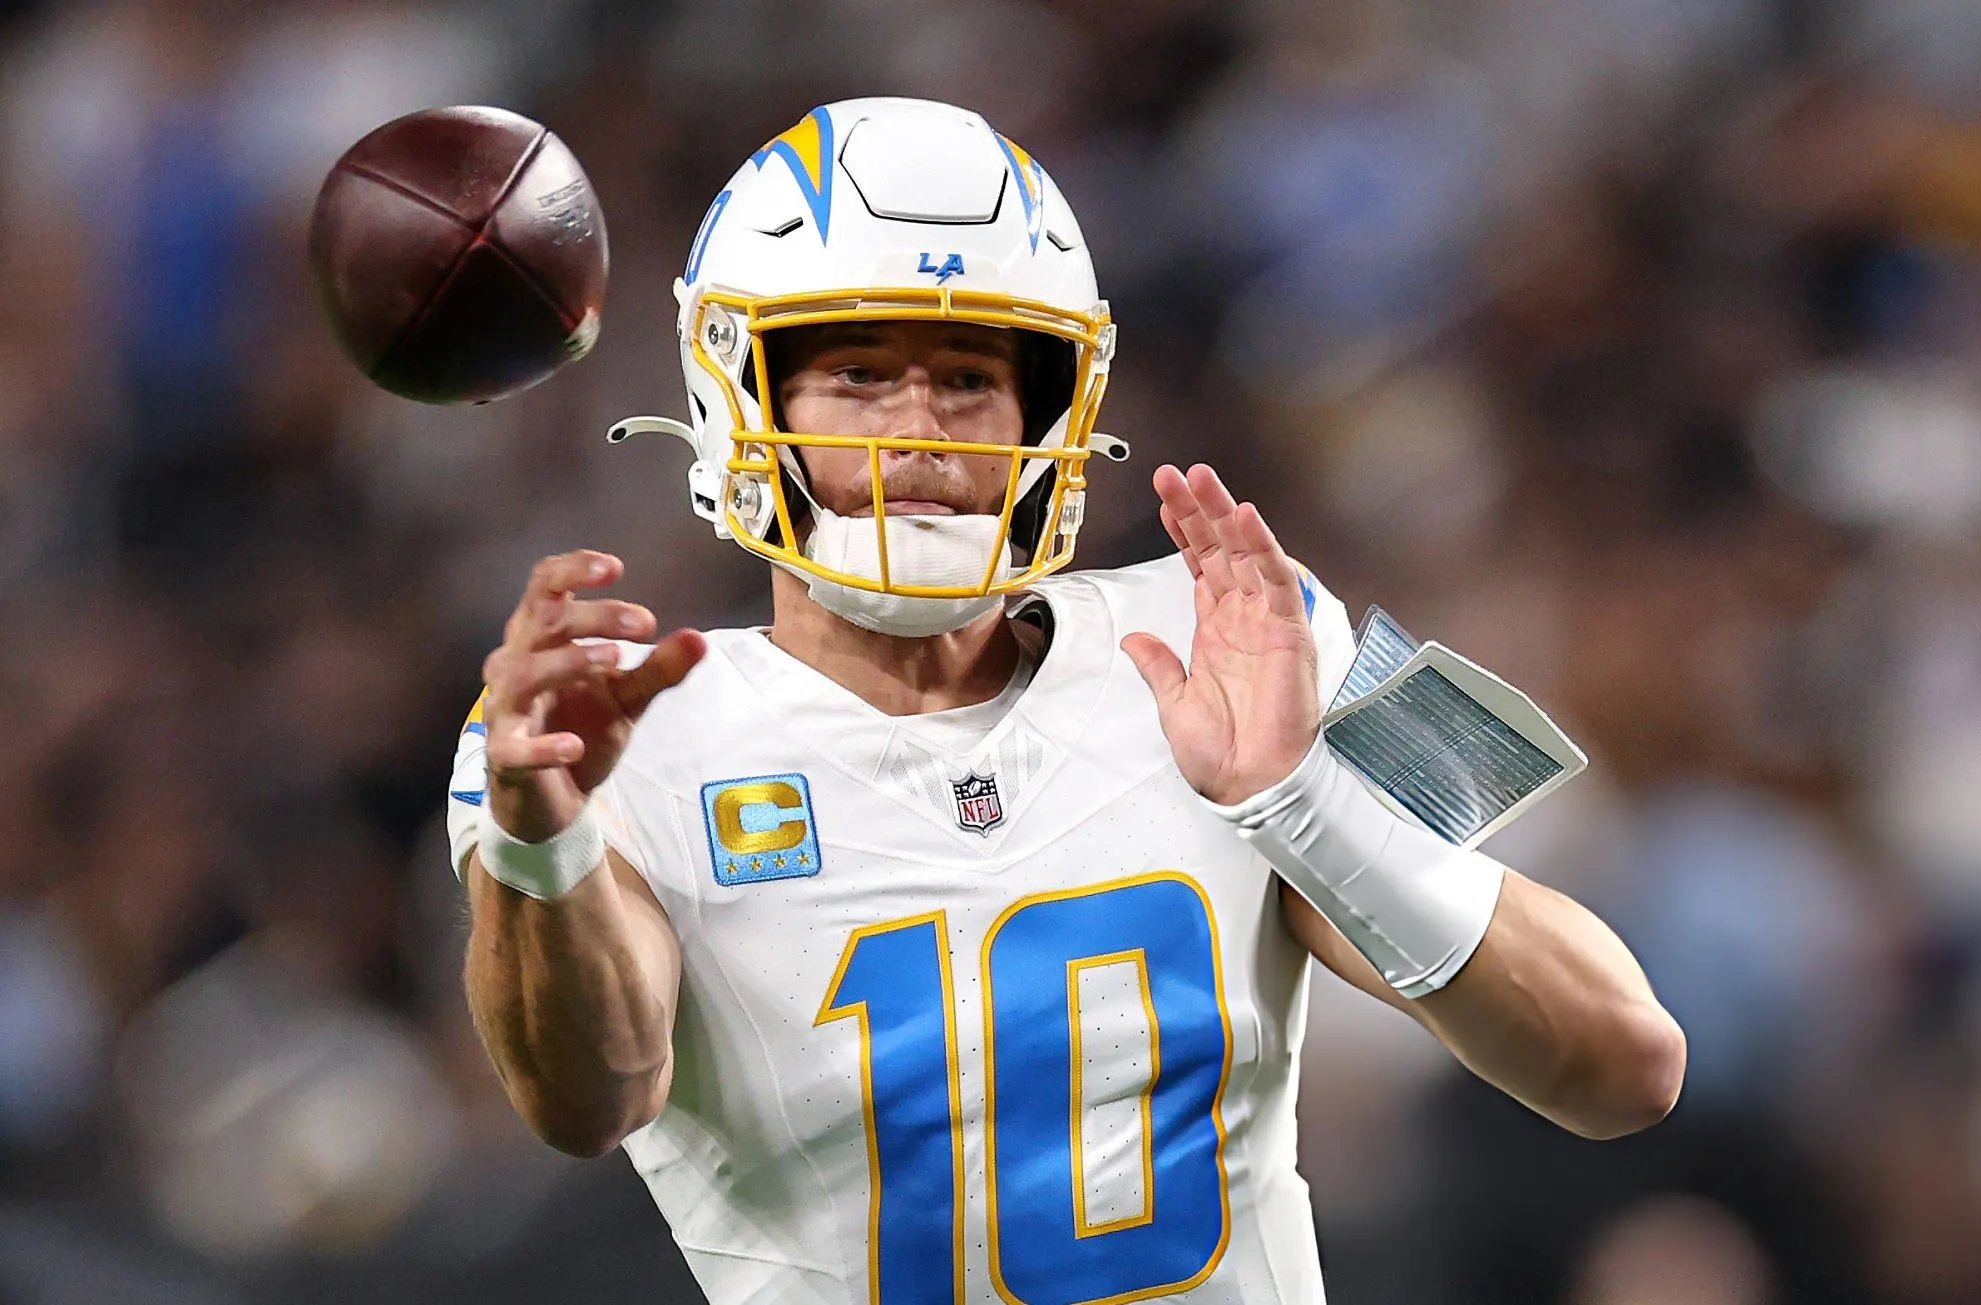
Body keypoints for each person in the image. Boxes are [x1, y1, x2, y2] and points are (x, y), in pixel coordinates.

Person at [446, 97, 1685, 1304]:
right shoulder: (623, 734)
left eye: (972, 380)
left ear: (1053, 405)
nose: (922, 431)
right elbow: (588, 1100)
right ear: (741, 398)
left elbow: (1623, 1063)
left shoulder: (1225, 633)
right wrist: (538, 841)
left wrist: (1297, 797)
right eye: (862, 375)